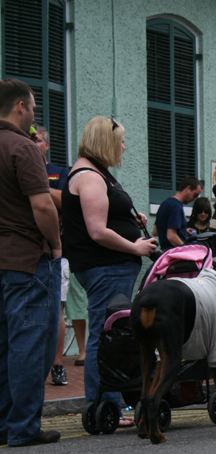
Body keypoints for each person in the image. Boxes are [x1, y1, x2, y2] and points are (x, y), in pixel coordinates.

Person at [61, 116, 157, 420]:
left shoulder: (96, 173)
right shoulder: (90, 177)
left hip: (108, 267)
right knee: (106, 335)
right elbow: (97, 231)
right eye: (121, 142)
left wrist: (130, 220)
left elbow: (103, 218)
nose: (124, 148)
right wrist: (135, 247)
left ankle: (109, 403)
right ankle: (104, 405)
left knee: (110, 331)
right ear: (106, 142)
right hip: (105, 266)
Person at [0, 78, 62, 446]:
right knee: (29, 343)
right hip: (26, 258)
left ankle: (4, 424)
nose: (34, 115)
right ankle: (23, 426)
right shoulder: (23, 147)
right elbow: (42, 205)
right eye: (33, 108)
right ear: (20, 106)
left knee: (3, 345)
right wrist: (55, 245)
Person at [34, 124, 70, 386]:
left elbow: (67, 201)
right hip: (25, 251)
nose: (33, 144)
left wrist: (37, 188)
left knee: (56, 308)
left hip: (56, 251)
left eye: (38, 140)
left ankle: (57, 364)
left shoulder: (59, 172)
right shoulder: (16, 165)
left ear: (46, 145)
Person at [154, 177, 203, 250]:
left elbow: (156, 231)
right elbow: (171, 236)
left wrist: (182, 231)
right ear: (188, 188)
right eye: (195, 195)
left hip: (166, 252)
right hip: (175, 252)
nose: (195, 199)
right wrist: (187, 249)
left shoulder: (165, 204)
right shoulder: (176, 207)